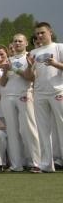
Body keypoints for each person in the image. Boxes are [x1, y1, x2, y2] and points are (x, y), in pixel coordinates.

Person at [0, 33, 41, 172]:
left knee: (29, 128)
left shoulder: (30, 57)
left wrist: (15, 69)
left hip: (24, 94)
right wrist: (5, 71)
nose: (17, 43)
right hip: (8, 96)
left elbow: (30, 78)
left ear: (26, 43)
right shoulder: (8, 60)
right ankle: (16, 164)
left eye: (20, 41)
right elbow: (3, 83)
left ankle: (35, 162)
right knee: (12, 131)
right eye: (15, 41)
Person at [27, 22, 63, 172]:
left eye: (42, 32)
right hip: (40, 93)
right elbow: (30, 77)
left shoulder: (59, 47)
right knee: (43, 129)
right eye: (37, 34)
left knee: (61, 126)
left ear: (50, 32)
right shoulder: (34, 52)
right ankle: (47, 164)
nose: (40, 36)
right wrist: (30, 66)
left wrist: (55, 64)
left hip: (58, 91)